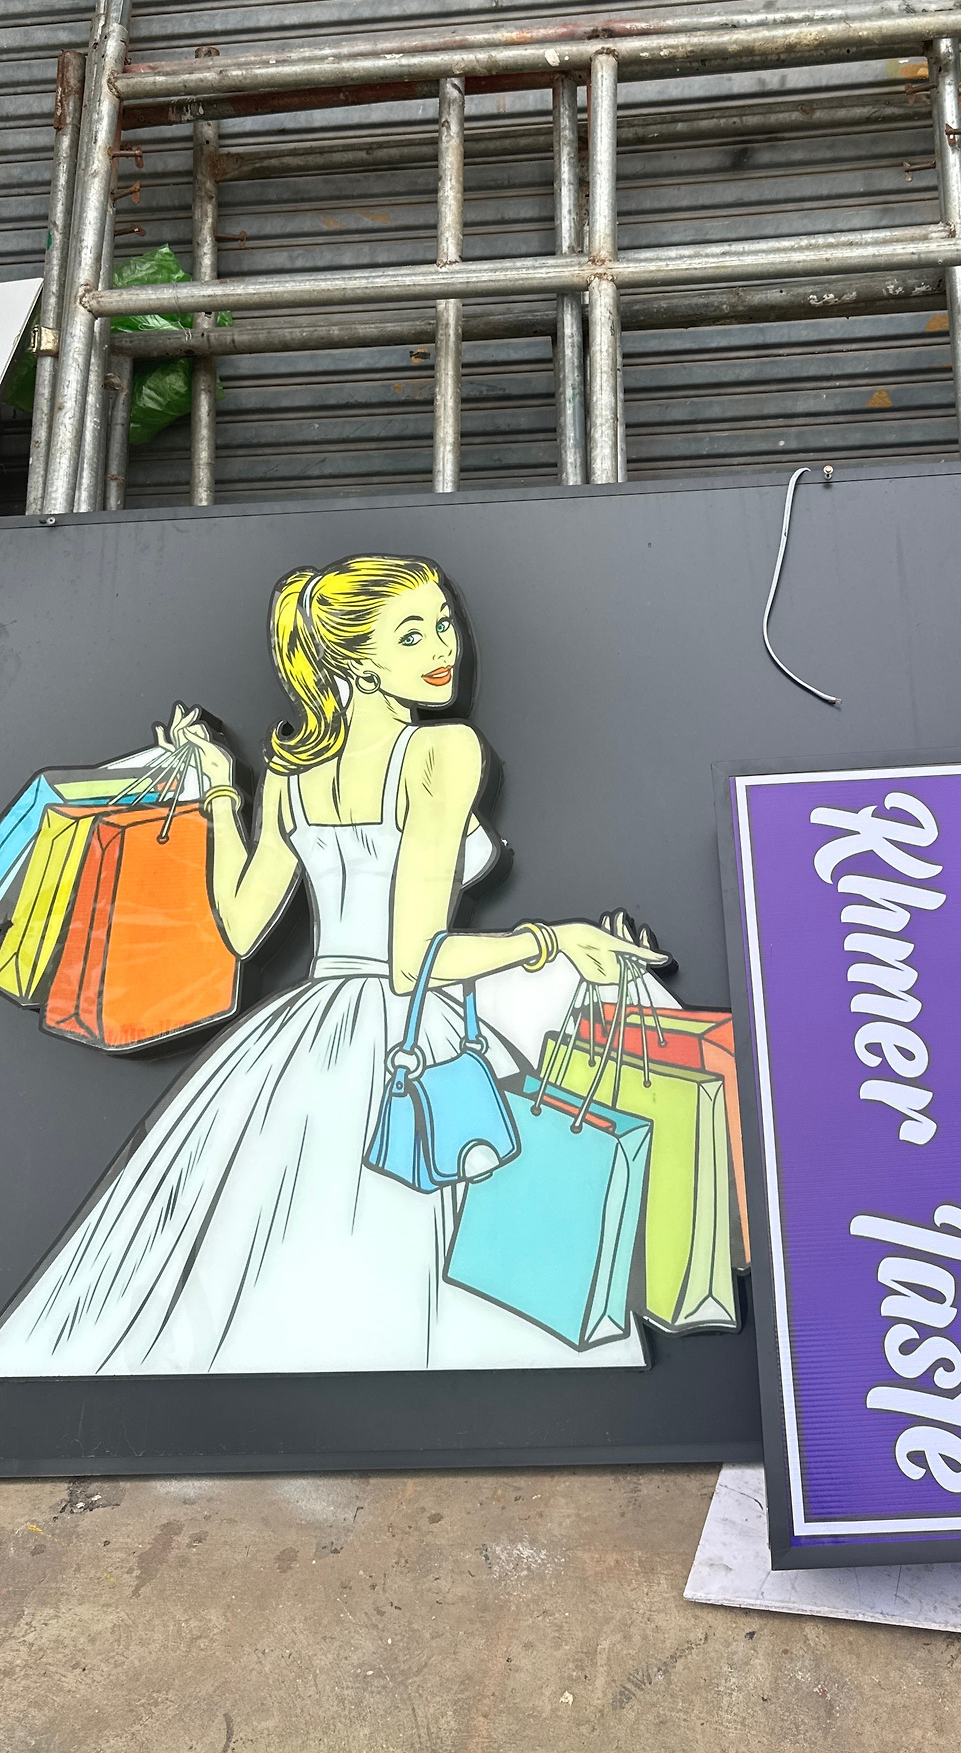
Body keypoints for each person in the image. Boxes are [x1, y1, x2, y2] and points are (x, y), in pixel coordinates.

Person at [0, 555, 668, 1377]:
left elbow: (241, 925)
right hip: (411, 1039)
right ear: (357, 661)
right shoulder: (443, 752)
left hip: (303, 1038)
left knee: (277, 1259)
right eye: (411, 634)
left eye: (444, 623)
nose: (445, 647)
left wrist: (222, 792)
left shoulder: (293, 771)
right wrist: (552, 941)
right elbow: (414, 961)